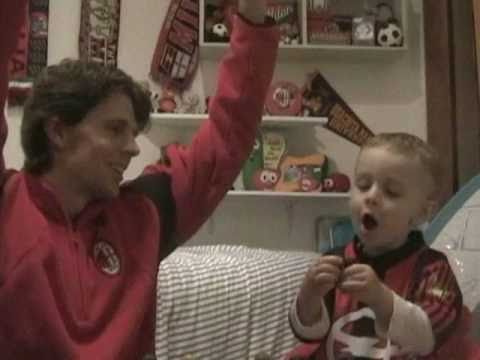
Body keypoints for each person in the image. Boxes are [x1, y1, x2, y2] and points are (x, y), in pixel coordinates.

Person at [0, 1, 279, 359]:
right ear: (58, 131)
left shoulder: (142, 216)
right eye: (115, 129)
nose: (133, 148)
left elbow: (227, 138)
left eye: (133, 133)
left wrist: (254, 21)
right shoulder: (7, 204)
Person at [287, 133, 473, 359]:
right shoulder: (336, 260)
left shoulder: (433, 268)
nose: (372, 197)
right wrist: (309, 294)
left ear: (422, 212)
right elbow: (311, 332)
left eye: (392, 192)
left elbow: (427, 335)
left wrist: (380, 298)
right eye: (363, 185)